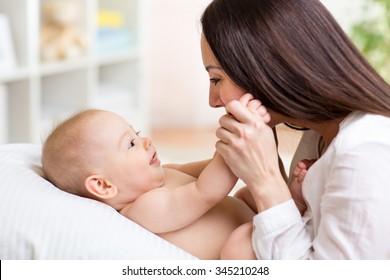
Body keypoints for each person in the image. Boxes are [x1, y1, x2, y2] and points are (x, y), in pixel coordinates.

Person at [195, 0, 390, 259]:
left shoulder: (364, 152)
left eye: (216, 79)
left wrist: (266, 180)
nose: (213, 101)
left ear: (267, 68)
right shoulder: (318, 135)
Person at [42, 109, 263, 260]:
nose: (145, 140)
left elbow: (211, 168)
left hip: (250, 219)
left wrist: (242, 148)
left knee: (248, 190)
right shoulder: (143, 209)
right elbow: (207, 192)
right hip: (245, 247)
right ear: (103, 185)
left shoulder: (164, 173)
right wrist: (236, 141)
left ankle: (293, 206)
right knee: (238, 245)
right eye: (130, 144)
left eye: (136, 134)